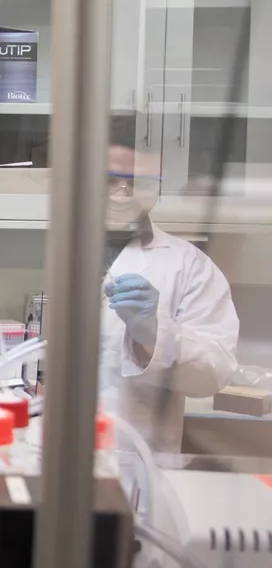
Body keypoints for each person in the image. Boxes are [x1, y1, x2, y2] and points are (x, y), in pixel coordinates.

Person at [99, 127, 239, 453]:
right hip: (58, 448)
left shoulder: (189, 264)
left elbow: (215, 373)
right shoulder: (65, 251)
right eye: (110, 179)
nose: (122, 191)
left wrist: (155, 336)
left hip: (138, 455)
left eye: (135, 181)